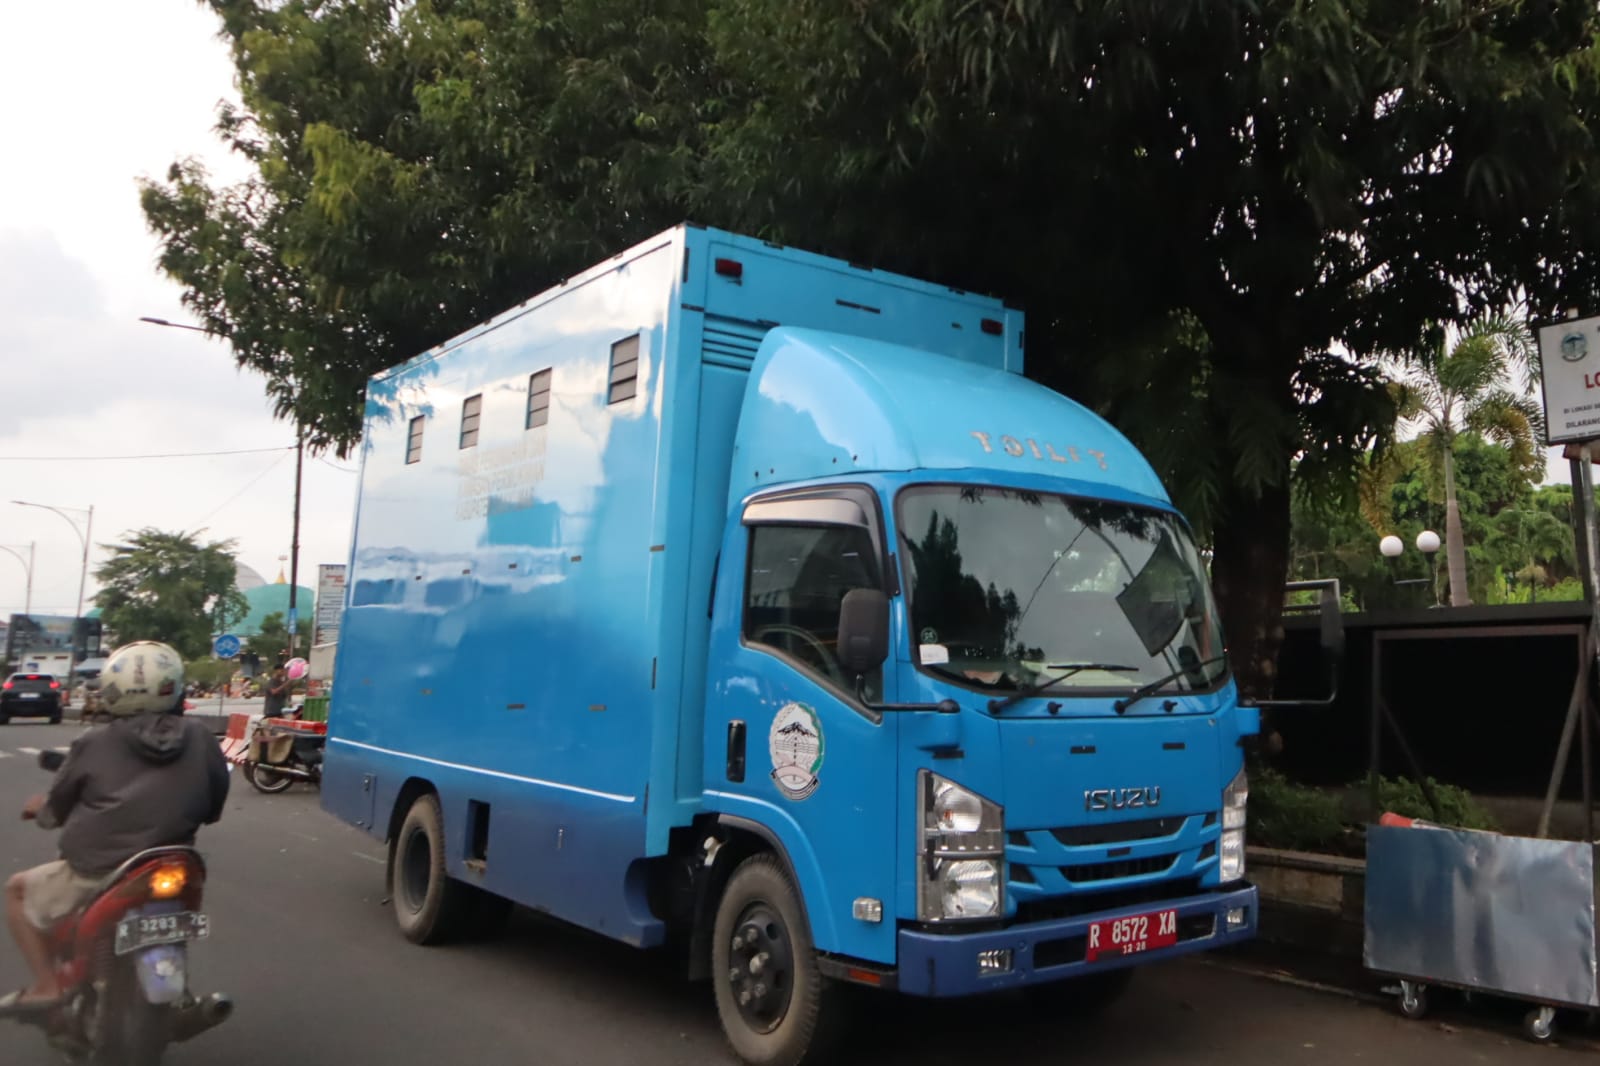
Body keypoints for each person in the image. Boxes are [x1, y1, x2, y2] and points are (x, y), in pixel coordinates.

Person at [1, 641, 229, 1013]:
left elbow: (55, 811)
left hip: (100, 870)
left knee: (16, 891)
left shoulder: (94, 742)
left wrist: (40, 810)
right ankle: (175, 989)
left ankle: (47, 987)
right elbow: (213, 806)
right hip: (175, 864)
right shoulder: (201, 737)